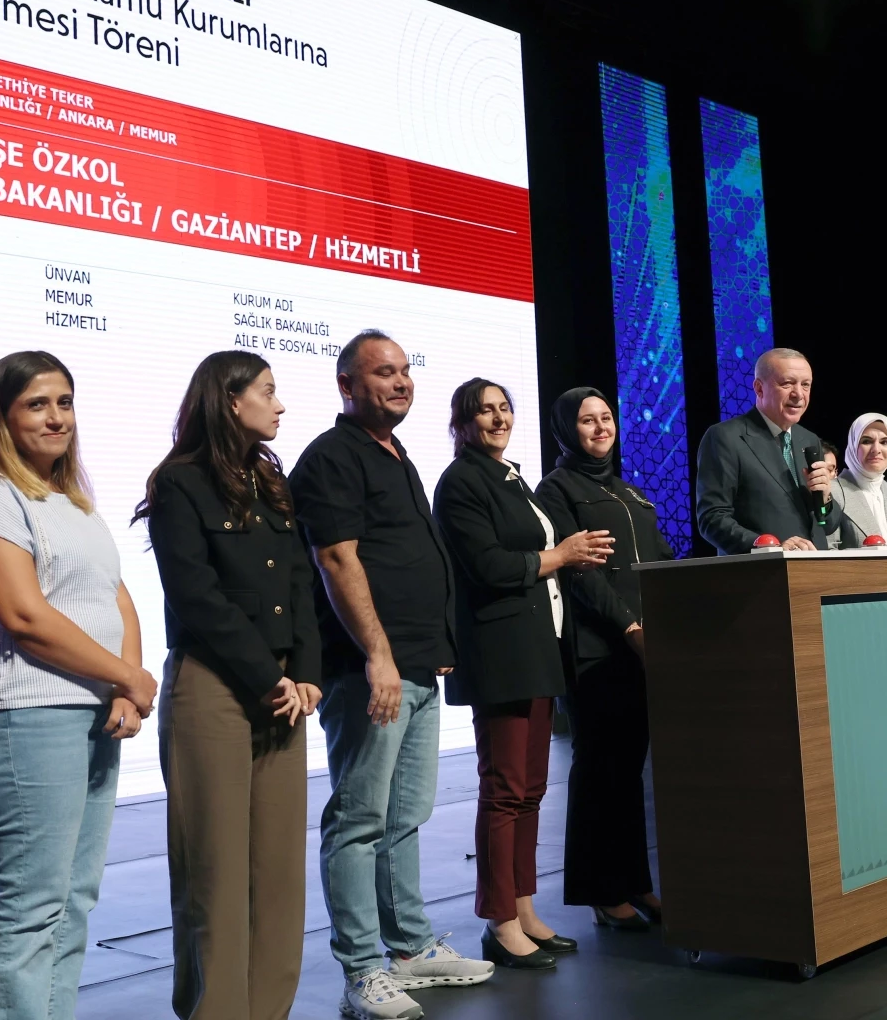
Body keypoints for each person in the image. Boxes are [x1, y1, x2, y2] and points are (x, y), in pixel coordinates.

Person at [289, 331, 493, 1020]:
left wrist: (431, 645)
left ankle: (408, 949)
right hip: (366, 671)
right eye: (384, 372)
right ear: (347, 385)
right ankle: (360, 970)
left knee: (405, 816)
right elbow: (337, 560)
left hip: (415, 666)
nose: (401, 381)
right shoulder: (332, 456)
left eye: (406, 370)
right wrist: (378, 655)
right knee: (359, 820)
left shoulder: (395, 452)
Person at [0, 350, 158, 1020]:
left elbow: (115, 598)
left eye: (64, 402)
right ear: (2, 417)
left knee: (73, 900)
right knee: (34, 903)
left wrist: (125, 688)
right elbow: (24, 617)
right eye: (36, 404)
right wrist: (126, 675)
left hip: (92, 710)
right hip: (26, 715)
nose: (56, 417)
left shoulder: (73, 502)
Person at [135, 351, 322, 1020]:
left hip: (284, 691)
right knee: (213, 871)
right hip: (215, 685)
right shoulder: (180, 483)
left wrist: (306, 673)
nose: (280, 404)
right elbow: (196, 596)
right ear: (230, 400)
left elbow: (300, 581)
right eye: (268, 391)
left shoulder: (271, 481)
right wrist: (268, 676)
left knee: (278, 873)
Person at [433, 379, 609, 969]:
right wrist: (561, 555)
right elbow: (487, 565)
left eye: (504, 408)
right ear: (461, 423)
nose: (498, 418)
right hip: (499, 653)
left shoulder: (511, 478)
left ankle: (525, 909)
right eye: (484, 411)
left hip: (535, 648)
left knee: (531, 789)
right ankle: (499, 920)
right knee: (505, 790)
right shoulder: (461, 481)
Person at [536, 387, 674, 934]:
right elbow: (579, 572)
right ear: (566, 430)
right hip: (597, 647)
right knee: (599, 768)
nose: (601, 428)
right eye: (587, 420)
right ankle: (601, 890)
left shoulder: (627, 490)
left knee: (629, 769)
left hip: (643, 645)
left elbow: (659, 559)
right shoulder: (556, 489)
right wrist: (630, 626)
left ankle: (634, 881)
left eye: (607, 417)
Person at [695, 348, 843, 553]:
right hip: (761, 569)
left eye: (805, 385)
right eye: (787, 383)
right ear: (759, 388)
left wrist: (825, 498)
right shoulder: (725, 437)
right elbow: (712, 518)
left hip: (813, 566)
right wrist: (769, 548)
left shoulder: (809, 439)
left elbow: (828, 524)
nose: (798, 394)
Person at [833, 413, 887, 549]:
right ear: (853, 445)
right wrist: (885, 553)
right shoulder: (832, 492)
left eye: (884, 442)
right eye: (867, 441)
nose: (876, 450)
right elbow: (826, 551)